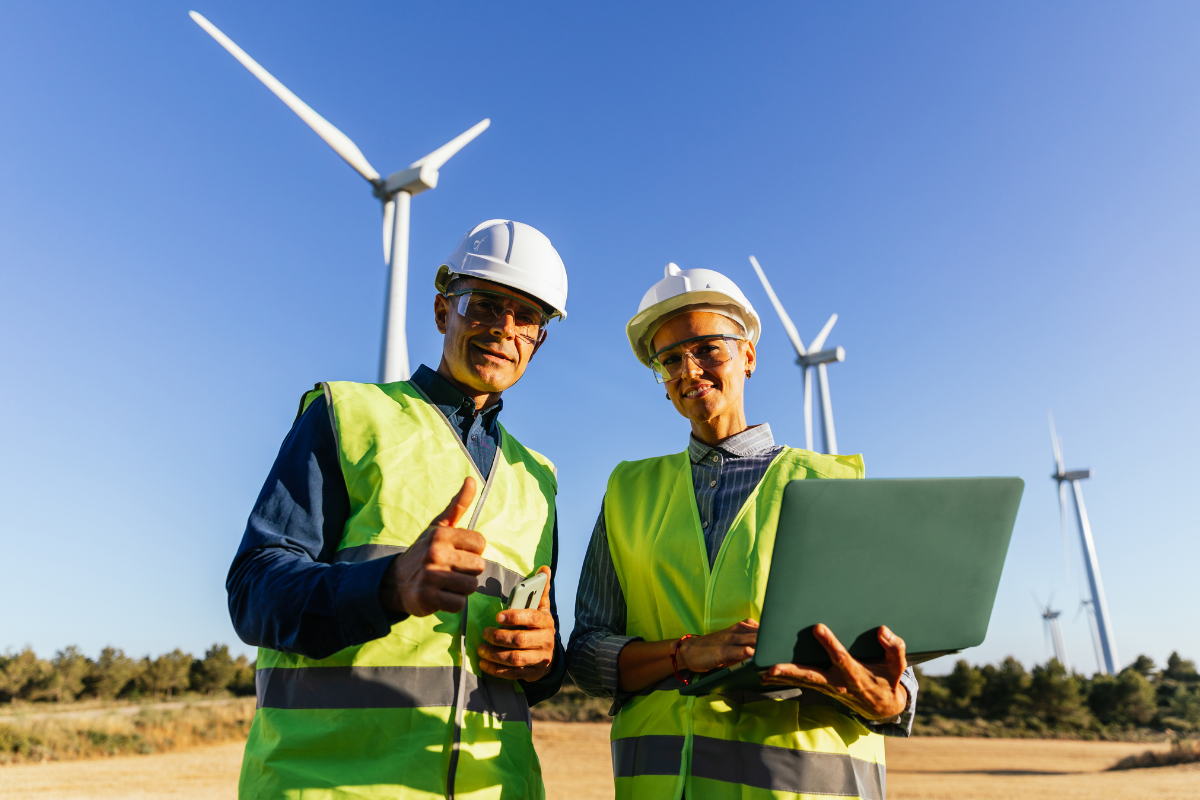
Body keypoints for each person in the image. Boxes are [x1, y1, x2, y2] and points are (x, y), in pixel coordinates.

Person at [228, 220, 569, 800]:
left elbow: (537, 660)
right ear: (443, 312)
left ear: (538, 340)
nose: (504, 330)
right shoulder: (348, 415)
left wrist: (543, 661)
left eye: (527, 317)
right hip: (332, 786)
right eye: (484, 304)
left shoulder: (539, 479)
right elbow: (254, 591)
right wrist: (387, 585)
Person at [568, 263, 918, 800]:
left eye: (708, 349)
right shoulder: (627, 491)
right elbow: (589, 652)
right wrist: (685, 654)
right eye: (669, 360)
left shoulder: (830, 484)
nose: (689, 370)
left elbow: (895, 664)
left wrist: (893, 701)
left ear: (748, 356)